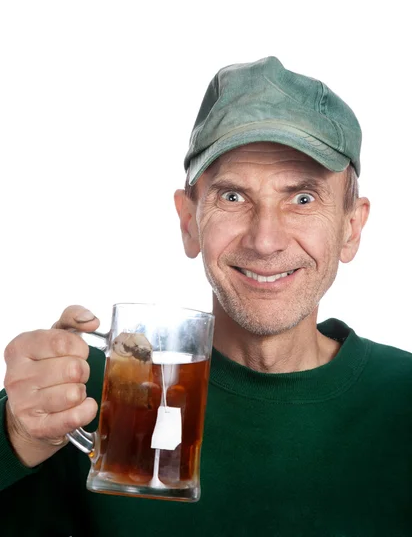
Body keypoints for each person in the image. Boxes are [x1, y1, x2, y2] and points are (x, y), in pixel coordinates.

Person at [1, 56, 412, 536]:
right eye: (233, 197)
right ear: (188, 220)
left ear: (351, 227)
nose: (265, 239)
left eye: (302, 198)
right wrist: (12, 438)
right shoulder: (89, 401)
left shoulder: (403, 400)